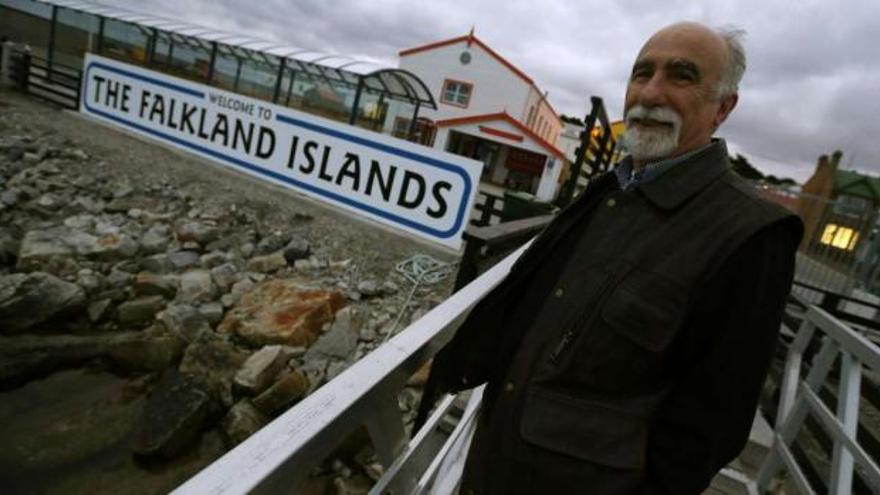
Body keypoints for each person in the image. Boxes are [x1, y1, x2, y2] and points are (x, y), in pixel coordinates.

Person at [418, 22, 804, 494]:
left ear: (723, 107)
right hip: (491, 466)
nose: (651, 93)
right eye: (642, 74)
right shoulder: (610, 192)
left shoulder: (751, 234)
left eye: (681, 76)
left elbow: (710, 426)